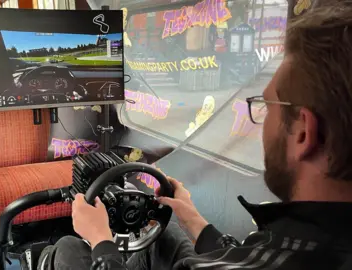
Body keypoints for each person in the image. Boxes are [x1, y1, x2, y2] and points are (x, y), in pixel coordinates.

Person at [37, 3, 352, 270]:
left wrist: (101, 242)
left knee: (68, 249)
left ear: (304, 133)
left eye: (266, 107)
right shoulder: (304, 243)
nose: (262, 118)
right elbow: (239, 254)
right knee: (166, 231)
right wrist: (194, 220)